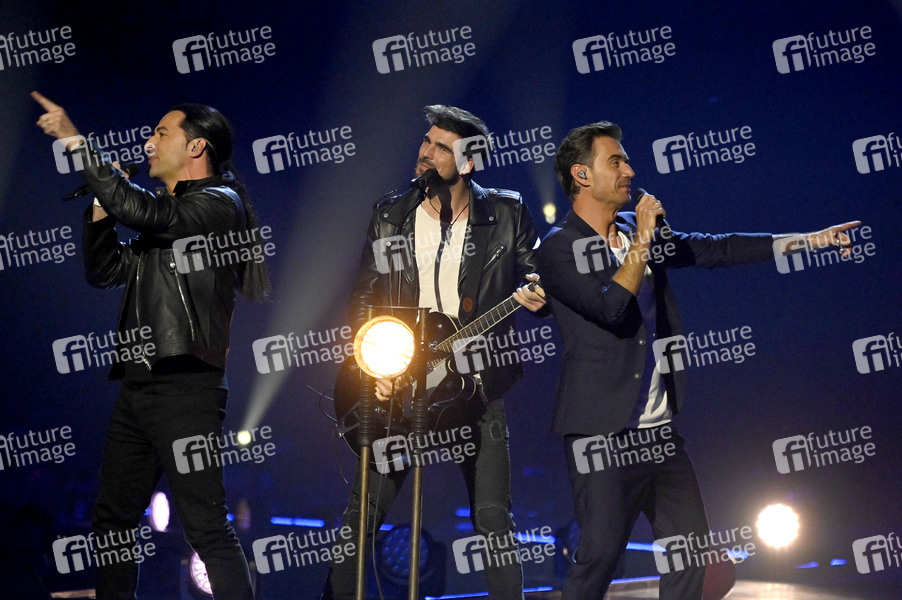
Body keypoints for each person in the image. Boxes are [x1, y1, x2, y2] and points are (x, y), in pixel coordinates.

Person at [536, 121, 859, 600]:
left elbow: (718, 248)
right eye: (616, 161)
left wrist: (809, 240)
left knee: (691, 557)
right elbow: (610, 308)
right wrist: (644, 240)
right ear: (581, 175)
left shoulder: (634, 232)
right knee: (600, 556)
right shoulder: (558, 248)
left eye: (627, 160)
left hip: (660, 435)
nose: (629, 171)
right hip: (600, 436)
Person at [33, 91, 268, 600]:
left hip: (186, 387)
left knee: (204, 526)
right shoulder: (167, 214)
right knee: (113, 519)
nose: (148, 142)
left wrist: (75, 140)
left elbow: (143, 211)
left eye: (162, 133)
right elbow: (106, 270)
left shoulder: (216, 204)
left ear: (196, 147)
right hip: (139, 384)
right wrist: (102, 204)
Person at [322, 105, 547, 600]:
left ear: (468, 162)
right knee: (362, 515)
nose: (426, 152)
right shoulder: (391, 214)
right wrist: (372, 365)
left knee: (493, 520)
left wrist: (540, 295)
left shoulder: (506, 213)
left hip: (476, 385)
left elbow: (537, 276)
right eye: (427, 141)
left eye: (441, 147)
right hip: (400, 384)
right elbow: (364, 298)